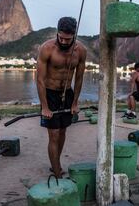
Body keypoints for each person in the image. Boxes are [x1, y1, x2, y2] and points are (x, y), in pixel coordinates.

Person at [36, 17, 87, 178]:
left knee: (63, 131)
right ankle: (57, 171)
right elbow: (40, 79)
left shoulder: (81, 51)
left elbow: (79, 78)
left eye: (68, 39)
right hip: (50, 94)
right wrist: (44, 106)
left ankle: (55, 163)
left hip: (67, 93)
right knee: (54, 134)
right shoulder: (47, 48)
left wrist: (75, 102)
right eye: (61, 37)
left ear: (74, 35)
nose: (64, 42)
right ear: (57, 32)